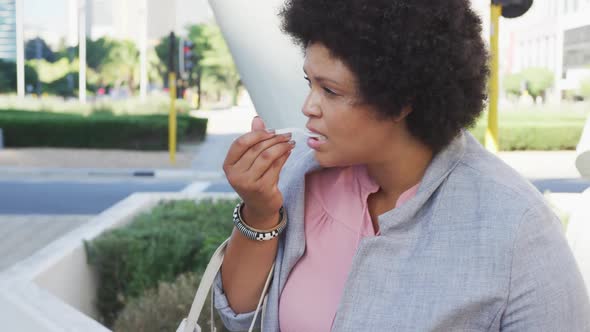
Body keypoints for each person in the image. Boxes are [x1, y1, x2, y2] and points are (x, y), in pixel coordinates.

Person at [213, 0, 590, 331]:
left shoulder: (517, 226)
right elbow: (239, 315)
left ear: (400, 101)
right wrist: (260, 212)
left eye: (330, 91)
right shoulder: (296, 173)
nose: (308, 107)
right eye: (309, 82)